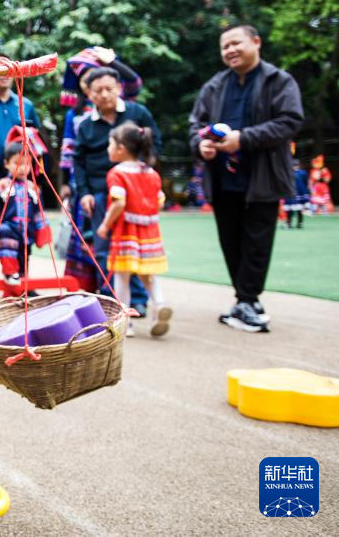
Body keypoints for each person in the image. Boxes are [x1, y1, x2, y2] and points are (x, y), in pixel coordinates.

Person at [189, 24, 303, 332]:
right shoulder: (214, 86)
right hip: (224, 179)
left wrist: (244, 138)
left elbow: (290, 121)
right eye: (224, 46)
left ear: (256, 42)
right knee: (231, 242)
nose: (230, 50)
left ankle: (248, 300)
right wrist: (201, 145)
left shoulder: (279, 81)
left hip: (263, 178)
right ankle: (245, 301)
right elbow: (195, 125)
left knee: (257, 242)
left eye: (236, 43)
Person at [73, 67, 162, 311]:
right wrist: (85, 193)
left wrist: (143, 174)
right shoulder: (85, 125)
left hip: (135, 193)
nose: (104, 94)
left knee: (137, 248)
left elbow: (157, 144)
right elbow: (78, 162)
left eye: (109, 88)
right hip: (102, 194)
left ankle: (139, 301)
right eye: (97, 90)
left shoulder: (137, 113)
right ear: (89, 94)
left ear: (119, 89)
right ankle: (113, 302)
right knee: (104, 250)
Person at [96, 122, 172, 338]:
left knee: (122, 277)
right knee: (148, 275)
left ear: (121, 148)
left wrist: (105, 224)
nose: (108, 149)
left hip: (126, 234)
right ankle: (159, 304)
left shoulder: (117, 173)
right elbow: (159, 201)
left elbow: (119, 202)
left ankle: (124, 321)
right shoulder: (151, 173)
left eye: (110, 145)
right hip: (149, 233)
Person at [0, 142, 52, 284]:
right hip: (8, 231)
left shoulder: (33, 188)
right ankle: (9, 274)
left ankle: (23, 289)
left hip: (26, 232)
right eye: (17, 163)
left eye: (27, 164)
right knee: (8, 254)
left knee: (24, 259)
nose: (23, 168)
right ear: (6, 164)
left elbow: (39, 212)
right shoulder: (1, 186)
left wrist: (43, 232)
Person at [283, 158, 310, 229]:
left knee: (289, 209)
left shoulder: (288, 172)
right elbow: (306, 182)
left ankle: (288, 224)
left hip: (291, 193)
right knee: (300, 209)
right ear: (299, 165)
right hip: (301, 194)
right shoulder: (303, 173)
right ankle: (299, 223)